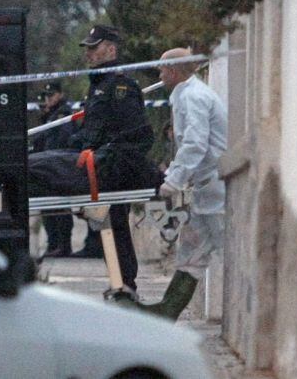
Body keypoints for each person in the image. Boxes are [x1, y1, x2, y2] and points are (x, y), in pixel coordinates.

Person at [27, 25, 158, 291]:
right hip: (92, 160)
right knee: (39, 161)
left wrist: (102, 158)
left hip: (105, 168)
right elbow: (92, 133)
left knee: (35, 166)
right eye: (87, 49)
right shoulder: (99, 85)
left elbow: (137, 138)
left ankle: (125, 284)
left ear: (111, 49)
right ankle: (122, 284)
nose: (88, 54)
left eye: (93, 48)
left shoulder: (120, 87)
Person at [138, 47, 228, 321]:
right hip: (204, 186)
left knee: (225, 245)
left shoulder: (194, 97)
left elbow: (195, 143)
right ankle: (168, 310)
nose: (160, 74)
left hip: (214, 185)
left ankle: (168, 310)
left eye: (162, 69)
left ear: (174, 71)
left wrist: (173, 180)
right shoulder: (187, 94)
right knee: (191, 250)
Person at [32, 82, 75, 258]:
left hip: (57, 165)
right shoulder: (51, 114)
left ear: (59, 95)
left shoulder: (62, 114)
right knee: (47, 208)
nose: (47, 100)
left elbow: (63, 138)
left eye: (51, 96)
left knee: (59, 207)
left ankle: (62, 245)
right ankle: (53, 244)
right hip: (48, 165)